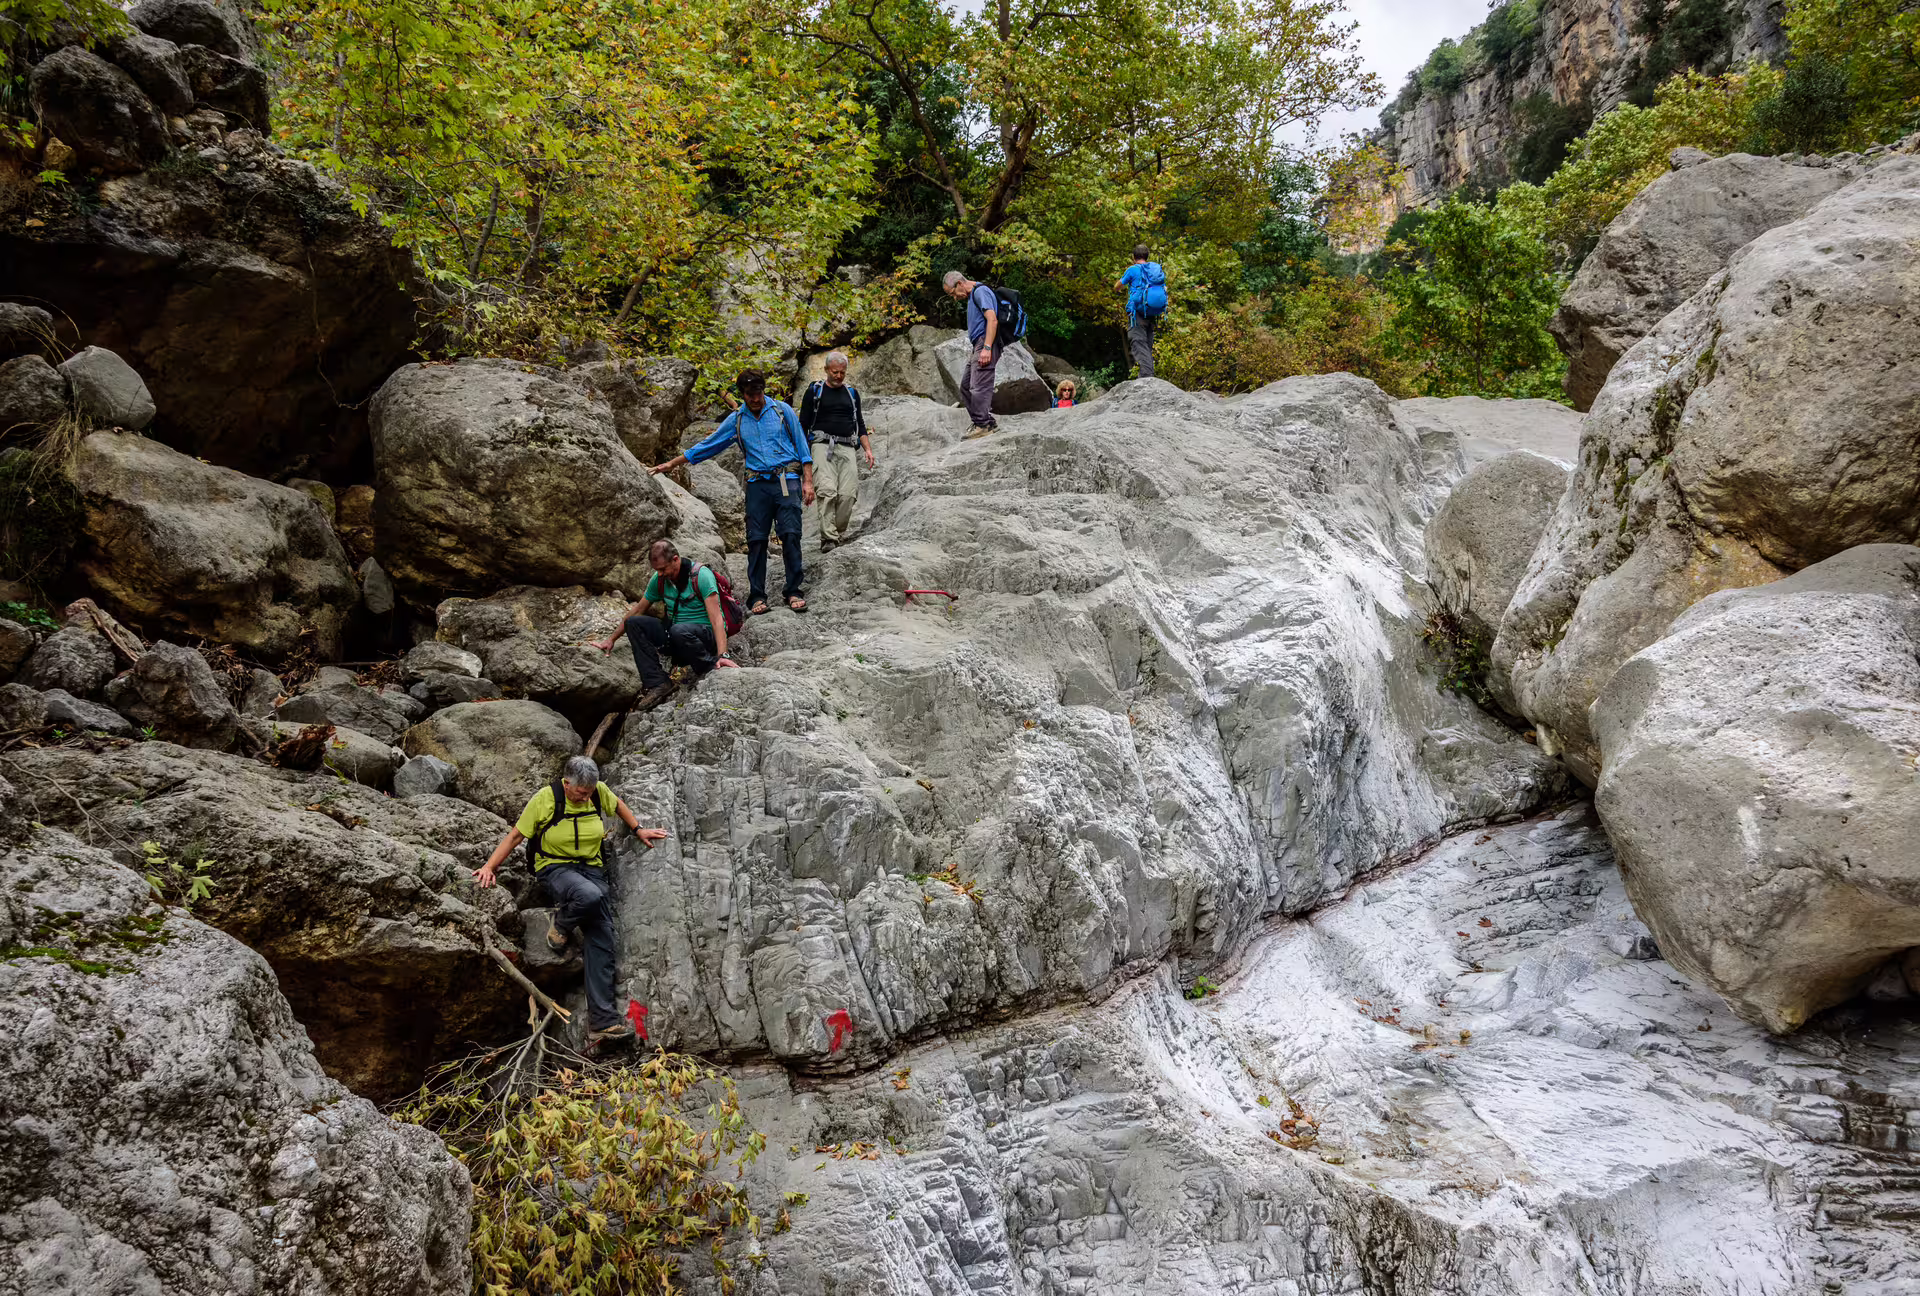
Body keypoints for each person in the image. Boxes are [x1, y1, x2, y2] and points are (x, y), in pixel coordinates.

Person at [474, 755, 669, 1043]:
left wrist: (639, 829)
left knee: (603, 938)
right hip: (554, 868)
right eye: (581, 792)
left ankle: (602, 1022)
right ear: (567, 784)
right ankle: (561, 924)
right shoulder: (545, 799)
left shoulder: (597, 791)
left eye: (590, 792)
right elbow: (516, 835)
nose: (586, 796)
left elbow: (617, 805)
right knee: (591, 895)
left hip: (590, 866)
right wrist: (490, 866)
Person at [652, 370, 813, 615]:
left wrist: (807, 482)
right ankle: (757, 596)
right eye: (750, 394)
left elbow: (802, 447)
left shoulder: (782, 411)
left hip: (786, 479)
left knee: (791, 534)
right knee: (756, 540)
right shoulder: (737, 419)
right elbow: (709, 445)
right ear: (743, 395)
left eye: (759, 393)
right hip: (757, 483)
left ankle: (793, 591)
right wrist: (672, 464)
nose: (756, 398)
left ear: (763, 391)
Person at [593, 538, 738, 710]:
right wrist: (611, 639)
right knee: (634, 623)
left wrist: (723, 655)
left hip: (705, 637)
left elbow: (716, 619)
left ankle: (710, 665)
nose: (660, 574)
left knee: (678, 630)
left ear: (675, 559)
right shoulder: (659, 579)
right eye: (657, 570)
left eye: (663, 569)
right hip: (677, 636)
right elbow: (637, 610)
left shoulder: (701, 576)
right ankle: (658, 683)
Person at [798, 351, 875, 550]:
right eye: (835, 372)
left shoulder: (852, 394)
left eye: (842, 372)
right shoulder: (815, 391)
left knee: (848, 495)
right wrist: (803, 456)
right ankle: (829, 538)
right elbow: (803, 424)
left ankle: (837, 531)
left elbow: (860, 423)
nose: (839, 376)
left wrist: (867, 450)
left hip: (848, 446)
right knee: (826, 491)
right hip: (821, 445)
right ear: (826, 370)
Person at [942, 270, 1003, 439]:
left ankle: (983, 426)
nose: (954, 298)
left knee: (979, 385)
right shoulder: (973, 295)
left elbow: (992, 320)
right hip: (978, 344)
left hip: (985, 342)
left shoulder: (980, 291)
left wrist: (987, 348)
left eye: (953, 293)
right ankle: (984, 421)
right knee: (966, 385)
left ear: (959, 284)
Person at [1114, 245, 1168, 380]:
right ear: (1147, 256)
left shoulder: (1132, 270)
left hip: (1137, 312)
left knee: (1137, 341)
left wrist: (1119, 286)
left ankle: (1146, 376)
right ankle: (1147, 374)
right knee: (1147, 344)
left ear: (1134, 257)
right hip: (1152, 312)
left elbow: (1117, 287)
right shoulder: (1154, 270)